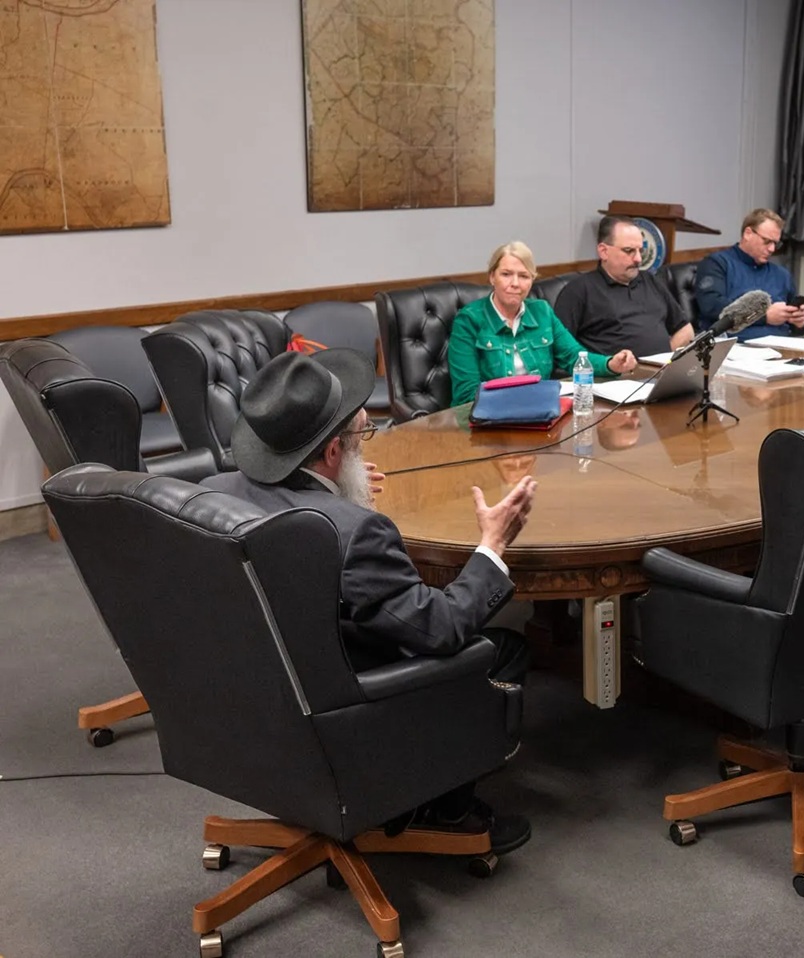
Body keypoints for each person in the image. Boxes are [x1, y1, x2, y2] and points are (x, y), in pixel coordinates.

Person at [204, 347, 538, 851]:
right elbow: (441, 627)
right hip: (339, 714)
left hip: (245, 706)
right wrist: (492, 545)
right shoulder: (354, 533)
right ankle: (443, 811)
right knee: (501, 648)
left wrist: (336, 497)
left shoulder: (212, 492)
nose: (364, 446)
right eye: (362, 437)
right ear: (332, 454)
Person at [450, 241, 637, 406]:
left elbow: (574, 357)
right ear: (492, 277)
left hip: (539, 411)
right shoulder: (469, 320)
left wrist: (610, 364)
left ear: (532, 281)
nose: (515, 283)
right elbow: (467, 393)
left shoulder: (542, 312)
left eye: (524, 276)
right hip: (489, 418)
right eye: (506, 274)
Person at [553, 216, 694, 359]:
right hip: (611, 372)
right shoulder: (578, 291)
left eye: (640, 250)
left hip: (663, 369)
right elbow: (561, 350)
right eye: (629, 250)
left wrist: (664, 361)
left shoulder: (651, 281)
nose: (638, 259)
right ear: (603, 251)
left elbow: (685, 330)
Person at [694, 208, 804, 342]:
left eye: (775, 243)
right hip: (737, 346)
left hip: (782, 345)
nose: (772, 249)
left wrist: (802, 319)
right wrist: (764, 316)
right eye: (767, 241)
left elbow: (796, 314)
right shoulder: (717, 263)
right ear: (748, 233)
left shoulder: (781, 274)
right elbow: (712, 306)